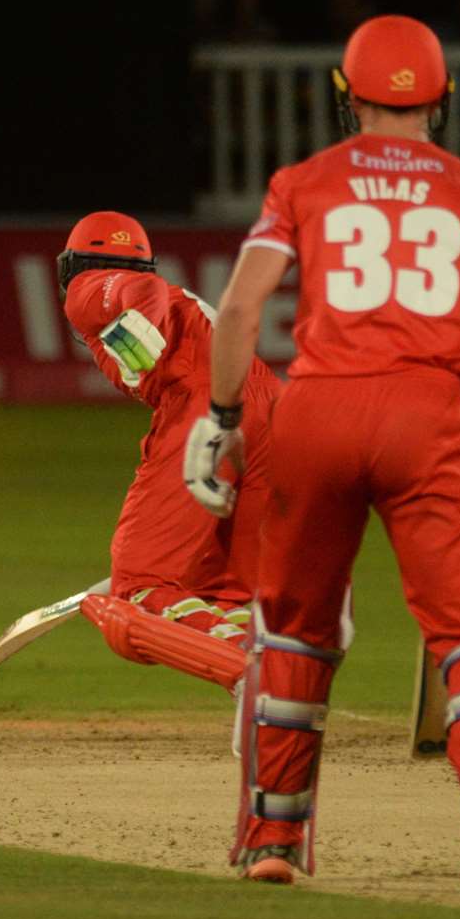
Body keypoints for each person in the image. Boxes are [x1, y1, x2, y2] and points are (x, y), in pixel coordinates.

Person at [184, 14, 460, 892]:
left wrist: (221, 418)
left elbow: (243, 310)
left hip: (313, 413)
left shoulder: (303, 181)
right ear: (439, 99)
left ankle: (271, 843)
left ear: (344, 94)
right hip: (425, 415)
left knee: (294, 625)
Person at [56, 212, 280, 692]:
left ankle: (249, 680)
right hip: (273, 414)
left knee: (138, 593)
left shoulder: (87, 290)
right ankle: (274, 707)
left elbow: (144, 290)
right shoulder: (180, 305)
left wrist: (142, 327)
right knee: (229, 595)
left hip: (208, 407)